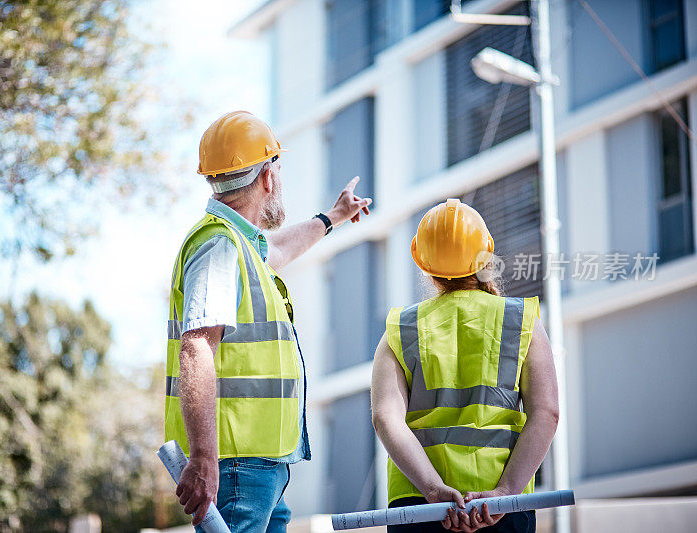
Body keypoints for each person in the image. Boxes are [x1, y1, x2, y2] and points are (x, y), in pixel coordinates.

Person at [164, 110, 372, 532]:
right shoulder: (220, 245)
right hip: (236, 465)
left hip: (261, 465)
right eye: (277, 165)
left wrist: (332, 218)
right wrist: (205, 458)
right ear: (266, 178)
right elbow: (197, 346)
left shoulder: (240, 244)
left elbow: (277, 249)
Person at [370, 199, 559, 533]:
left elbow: (386, 418)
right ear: (485, 257)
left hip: (419, 506)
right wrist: (506, 491)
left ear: (423, 263)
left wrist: (432, 489)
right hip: (501, 505)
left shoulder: (400, 328)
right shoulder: (521, 321)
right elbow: (547, 413)